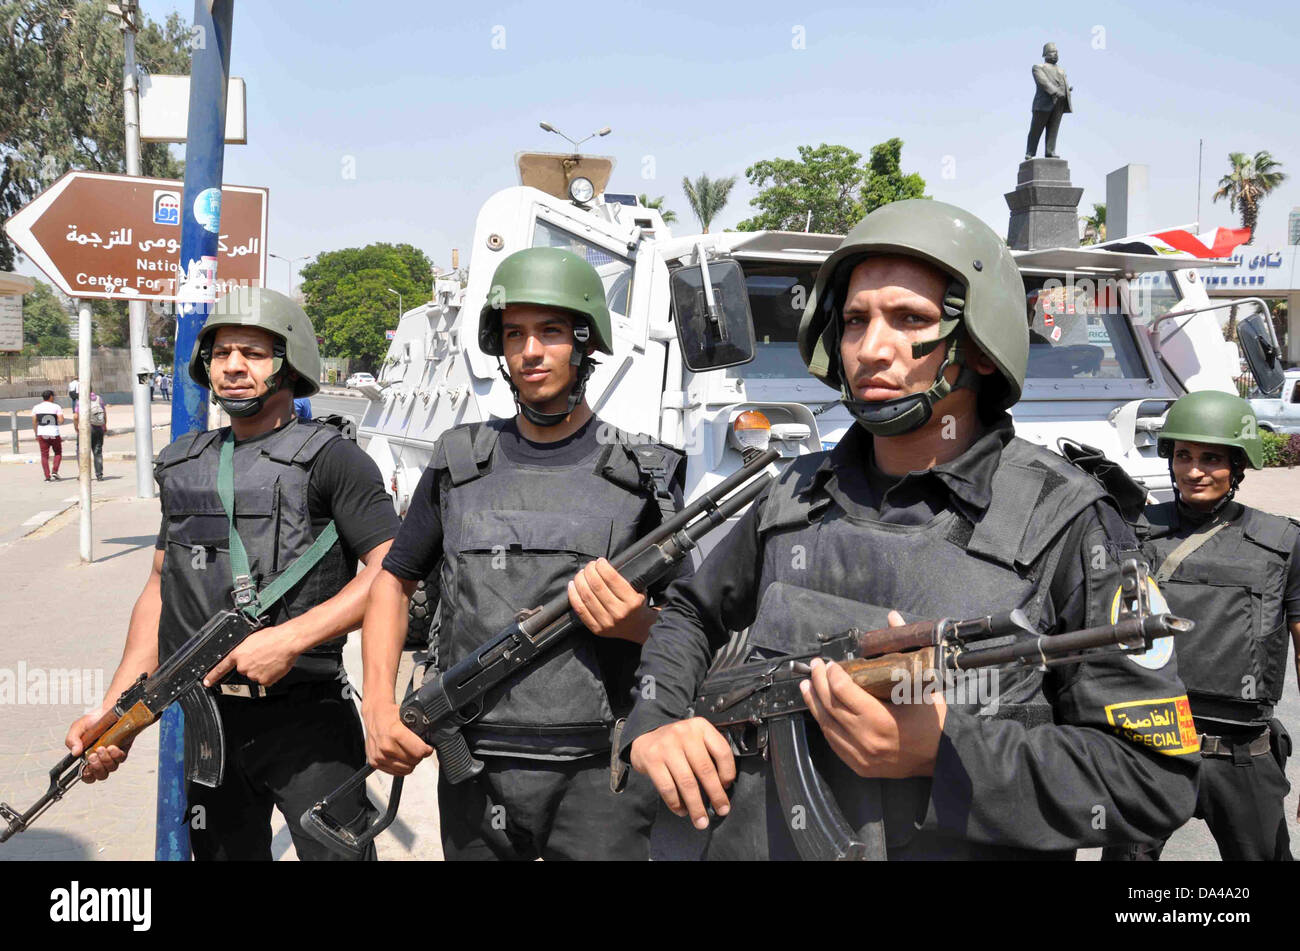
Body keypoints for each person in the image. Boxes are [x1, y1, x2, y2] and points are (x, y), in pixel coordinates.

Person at [623, 199, 1199, 860]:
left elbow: (1153, 778)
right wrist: (656, 717)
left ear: (980, 347)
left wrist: (945, 752)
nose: (871, 349)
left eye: (910, 320)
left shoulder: (1068, 521)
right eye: (855, 321)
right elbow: (690, 614)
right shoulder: (793, 494)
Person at [361, 246, 688, 860]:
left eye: (551, 332)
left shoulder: (642, 473)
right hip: (476, 766)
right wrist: (379, 704)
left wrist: (636, 622)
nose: (531, 351)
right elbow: (392, 580)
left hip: (602, 772)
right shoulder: (458, 462)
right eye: (515, 334)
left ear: (586, 343)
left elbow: (691, 626)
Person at [62, 287, 401, 861]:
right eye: (221, 353)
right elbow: (159, 590)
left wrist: (291, 637)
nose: (234, 366)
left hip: (308, 721)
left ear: (289, 363)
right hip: (210, 720)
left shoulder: (334, 458)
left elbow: (392, 570)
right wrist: (114, 710)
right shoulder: (184, 462)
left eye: (253, 352)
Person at [1102, 391, 1300, 861]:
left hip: (1241, 755)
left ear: (1238, 465)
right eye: (1183, 456)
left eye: (1211, 458)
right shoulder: (1130, 531)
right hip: (1149, 751)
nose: (1194, 471)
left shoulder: (1282, 543)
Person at [1025, 42, 1073, 159]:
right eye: (1052, 52)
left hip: (1059, 104)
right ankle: (1030, 152)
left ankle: (1050, 151)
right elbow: (1043, 82)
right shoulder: (1038, 67)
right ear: (1045, 54)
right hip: (1043, 104)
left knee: (1053, 129)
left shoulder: (1061, 70)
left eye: (1057, 52)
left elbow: (1063, 83)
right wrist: (1055, 91)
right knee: (1036, 129)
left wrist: (1067, 90)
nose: (1055, 54)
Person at [74, 387, 108, 480]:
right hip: (98, 428)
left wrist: (76, 427)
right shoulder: (98, 398)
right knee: (98, 451)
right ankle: (99, 475)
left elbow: (76, 416)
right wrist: (104, 426)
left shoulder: (80, 401)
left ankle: (83, 474)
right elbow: (104, 413)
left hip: (86, 429)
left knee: (82, 451)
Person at [31, 389, 64, 482]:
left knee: (44, 455)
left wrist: (36, 433)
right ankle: (55, 471)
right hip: (54, 433)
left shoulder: (36, 407)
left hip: (42, 433)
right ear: (51, 397)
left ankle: (47, 477)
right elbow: (61, 420)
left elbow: (34, 421)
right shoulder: (56, 406)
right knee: (58, 452)